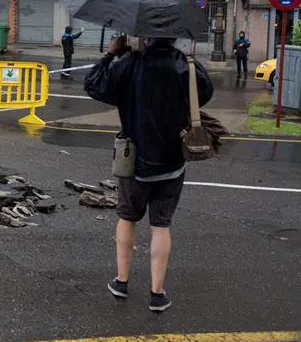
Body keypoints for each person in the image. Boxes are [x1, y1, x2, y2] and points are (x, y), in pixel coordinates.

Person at [83, 36, 213, 313]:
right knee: (161, 225)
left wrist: (111, 55)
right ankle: (157, 294)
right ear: (175, 35)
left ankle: (121, 281)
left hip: (132, 162)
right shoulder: (187, 66)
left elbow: (94, 85)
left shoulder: (129, 64)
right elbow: (204, 94)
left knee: (127, 218)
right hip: (172, 162)